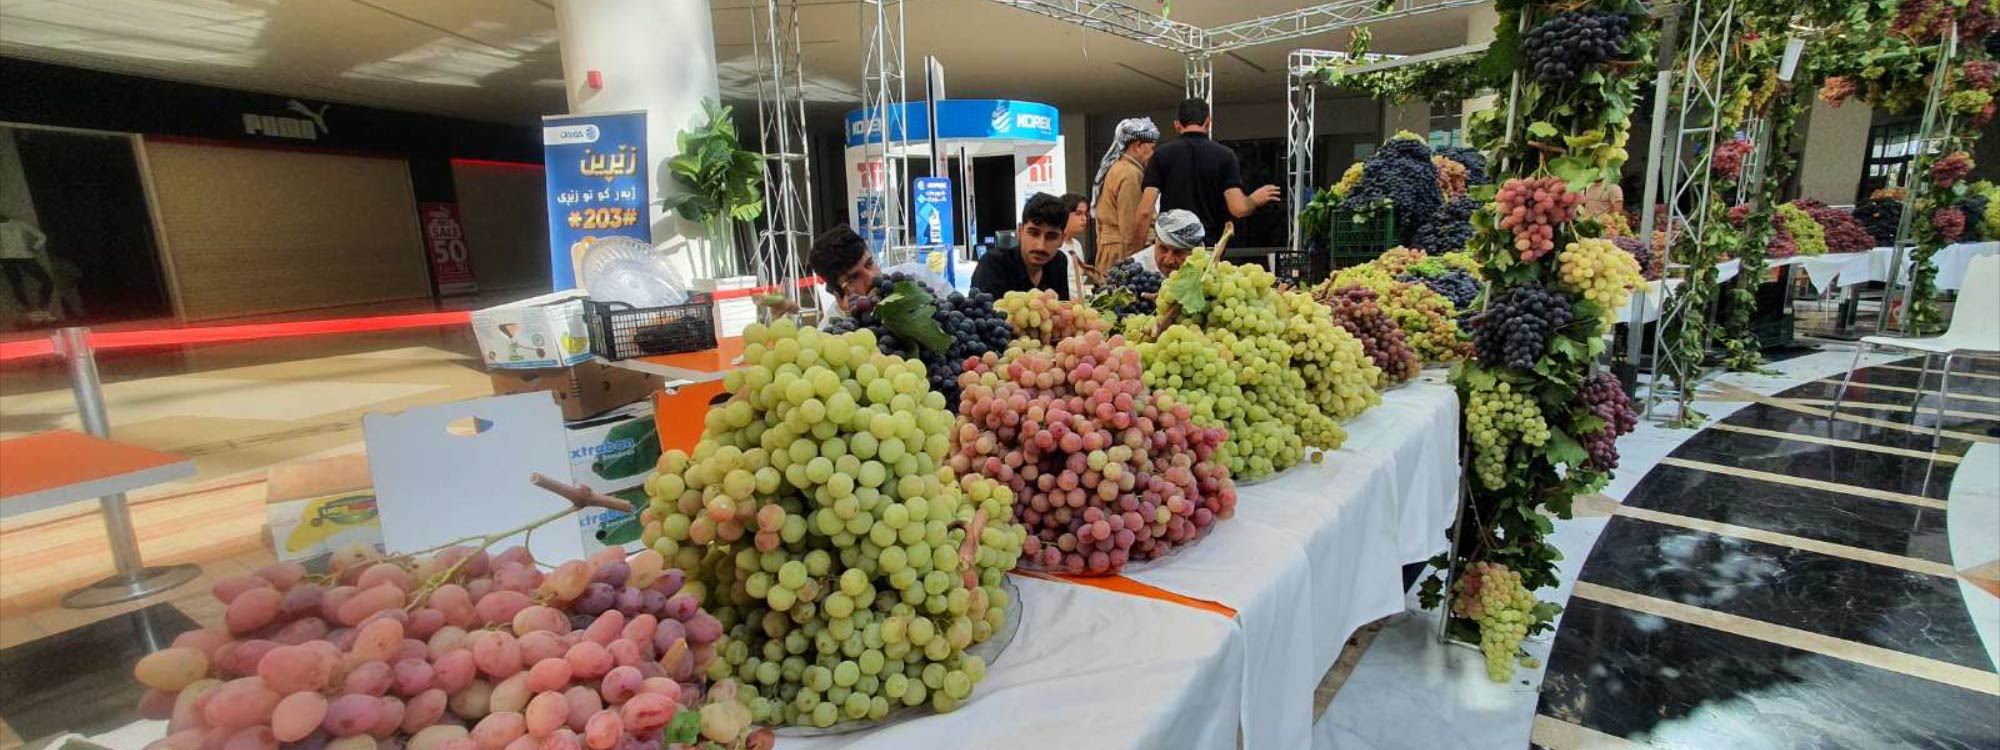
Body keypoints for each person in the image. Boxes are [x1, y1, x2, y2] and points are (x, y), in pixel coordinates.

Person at [1138, 98, 1281, 245]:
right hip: (1206, 247)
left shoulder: (1161, 154)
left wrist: (1135, 253)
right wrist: (1255, 199)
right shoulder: (1225, 155)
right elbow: (1238, 208)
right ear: (1208, 122)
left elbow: (1145, 212)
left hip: (1170, 247)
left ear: (1177, 125)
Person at [971, 192, 1071, 300]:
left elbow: (1062, 312)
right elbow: (981, 314)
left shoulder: (1058, 262)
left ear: (1062, 239)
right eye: (1033, 233)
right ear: (1019, 231)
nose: (1040, 246)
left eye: (1051, 236)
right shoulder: (993, 265)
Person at [1092, 117, 1159, 271]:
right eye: (1152, 147)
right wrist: (1134, 260)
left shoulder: (1117, 168)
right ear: (1138, 145)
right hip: (1122, 254)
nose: (1153, 153)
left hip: (1111, 250)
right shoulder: (1130, 173)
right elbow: (1131, 226)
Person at [807, 225, 880, 319]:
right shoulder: (832, 328)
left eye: (869, 263)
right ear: (838, 293)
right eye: (854, 277)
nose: (871, 278)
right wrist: (854, 318)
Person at [0, 212, 54, 322]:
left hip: (12, 258)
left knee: (20, 285)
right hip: (15, 258)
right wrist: (34, 248)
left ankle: (37, 309)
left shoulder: (19, 224)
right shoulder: (19, 224)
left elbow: (42, 237)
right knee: (18, 285)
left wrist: (35, 248)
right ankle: (36, 310)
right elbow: (42, 237)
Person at [1128, 209, 1204, 278]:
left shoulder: (1206, 270)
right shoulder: (1134, 269)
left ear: (1193, 253)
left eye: (1178, 252)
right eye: (1163, 249)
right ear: (1155, 242)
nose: (1168, 260)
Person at [1057, 192, 1095, 300]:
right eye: (1078, 213)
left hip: (1080, 307)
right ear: (1064, 214)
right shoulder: (1054, 247)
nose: (1084, 219)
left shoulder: (1077, 244)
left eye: (1086, 214)